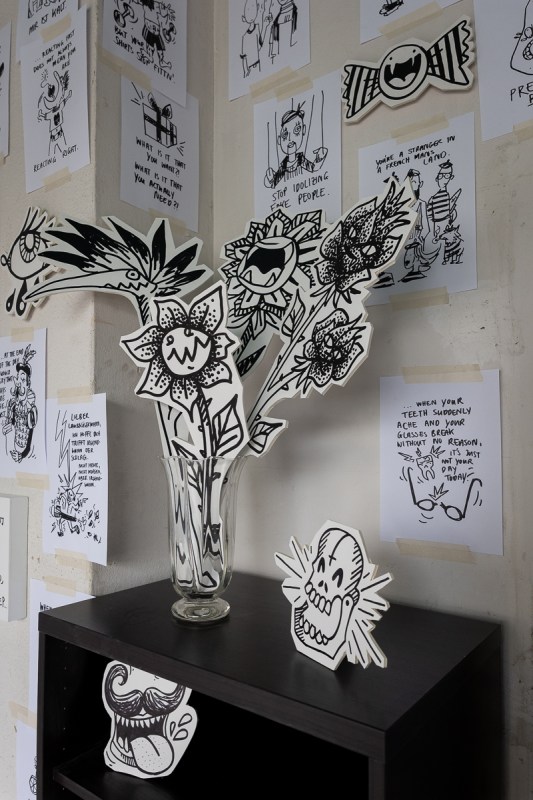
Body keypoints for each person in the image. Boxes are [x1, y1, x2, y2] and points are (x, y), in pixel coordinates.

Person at [264, 104, 327, 188]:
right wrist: (269, 179)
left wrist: (320, 158)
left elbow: (313, 168)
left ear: (303, 130)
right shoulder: (283, 165)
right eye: (285, 134)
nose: (290, 138)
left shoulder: (301, 159)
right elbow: (272, 184)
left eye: (296, 130)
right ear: (279, 140)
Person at [426, 160, 461, 243]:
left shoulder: (447, 195)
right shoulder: (433, 199)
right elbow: (429, 215)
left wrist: (451, 218)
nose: (443, 179)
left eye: (447, 176)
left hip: (447, 224)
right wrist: (433, 228)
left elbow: (451, 211)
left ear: (451, 177)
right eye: (441, 176)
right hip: (437, 225)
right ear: (437, 178)